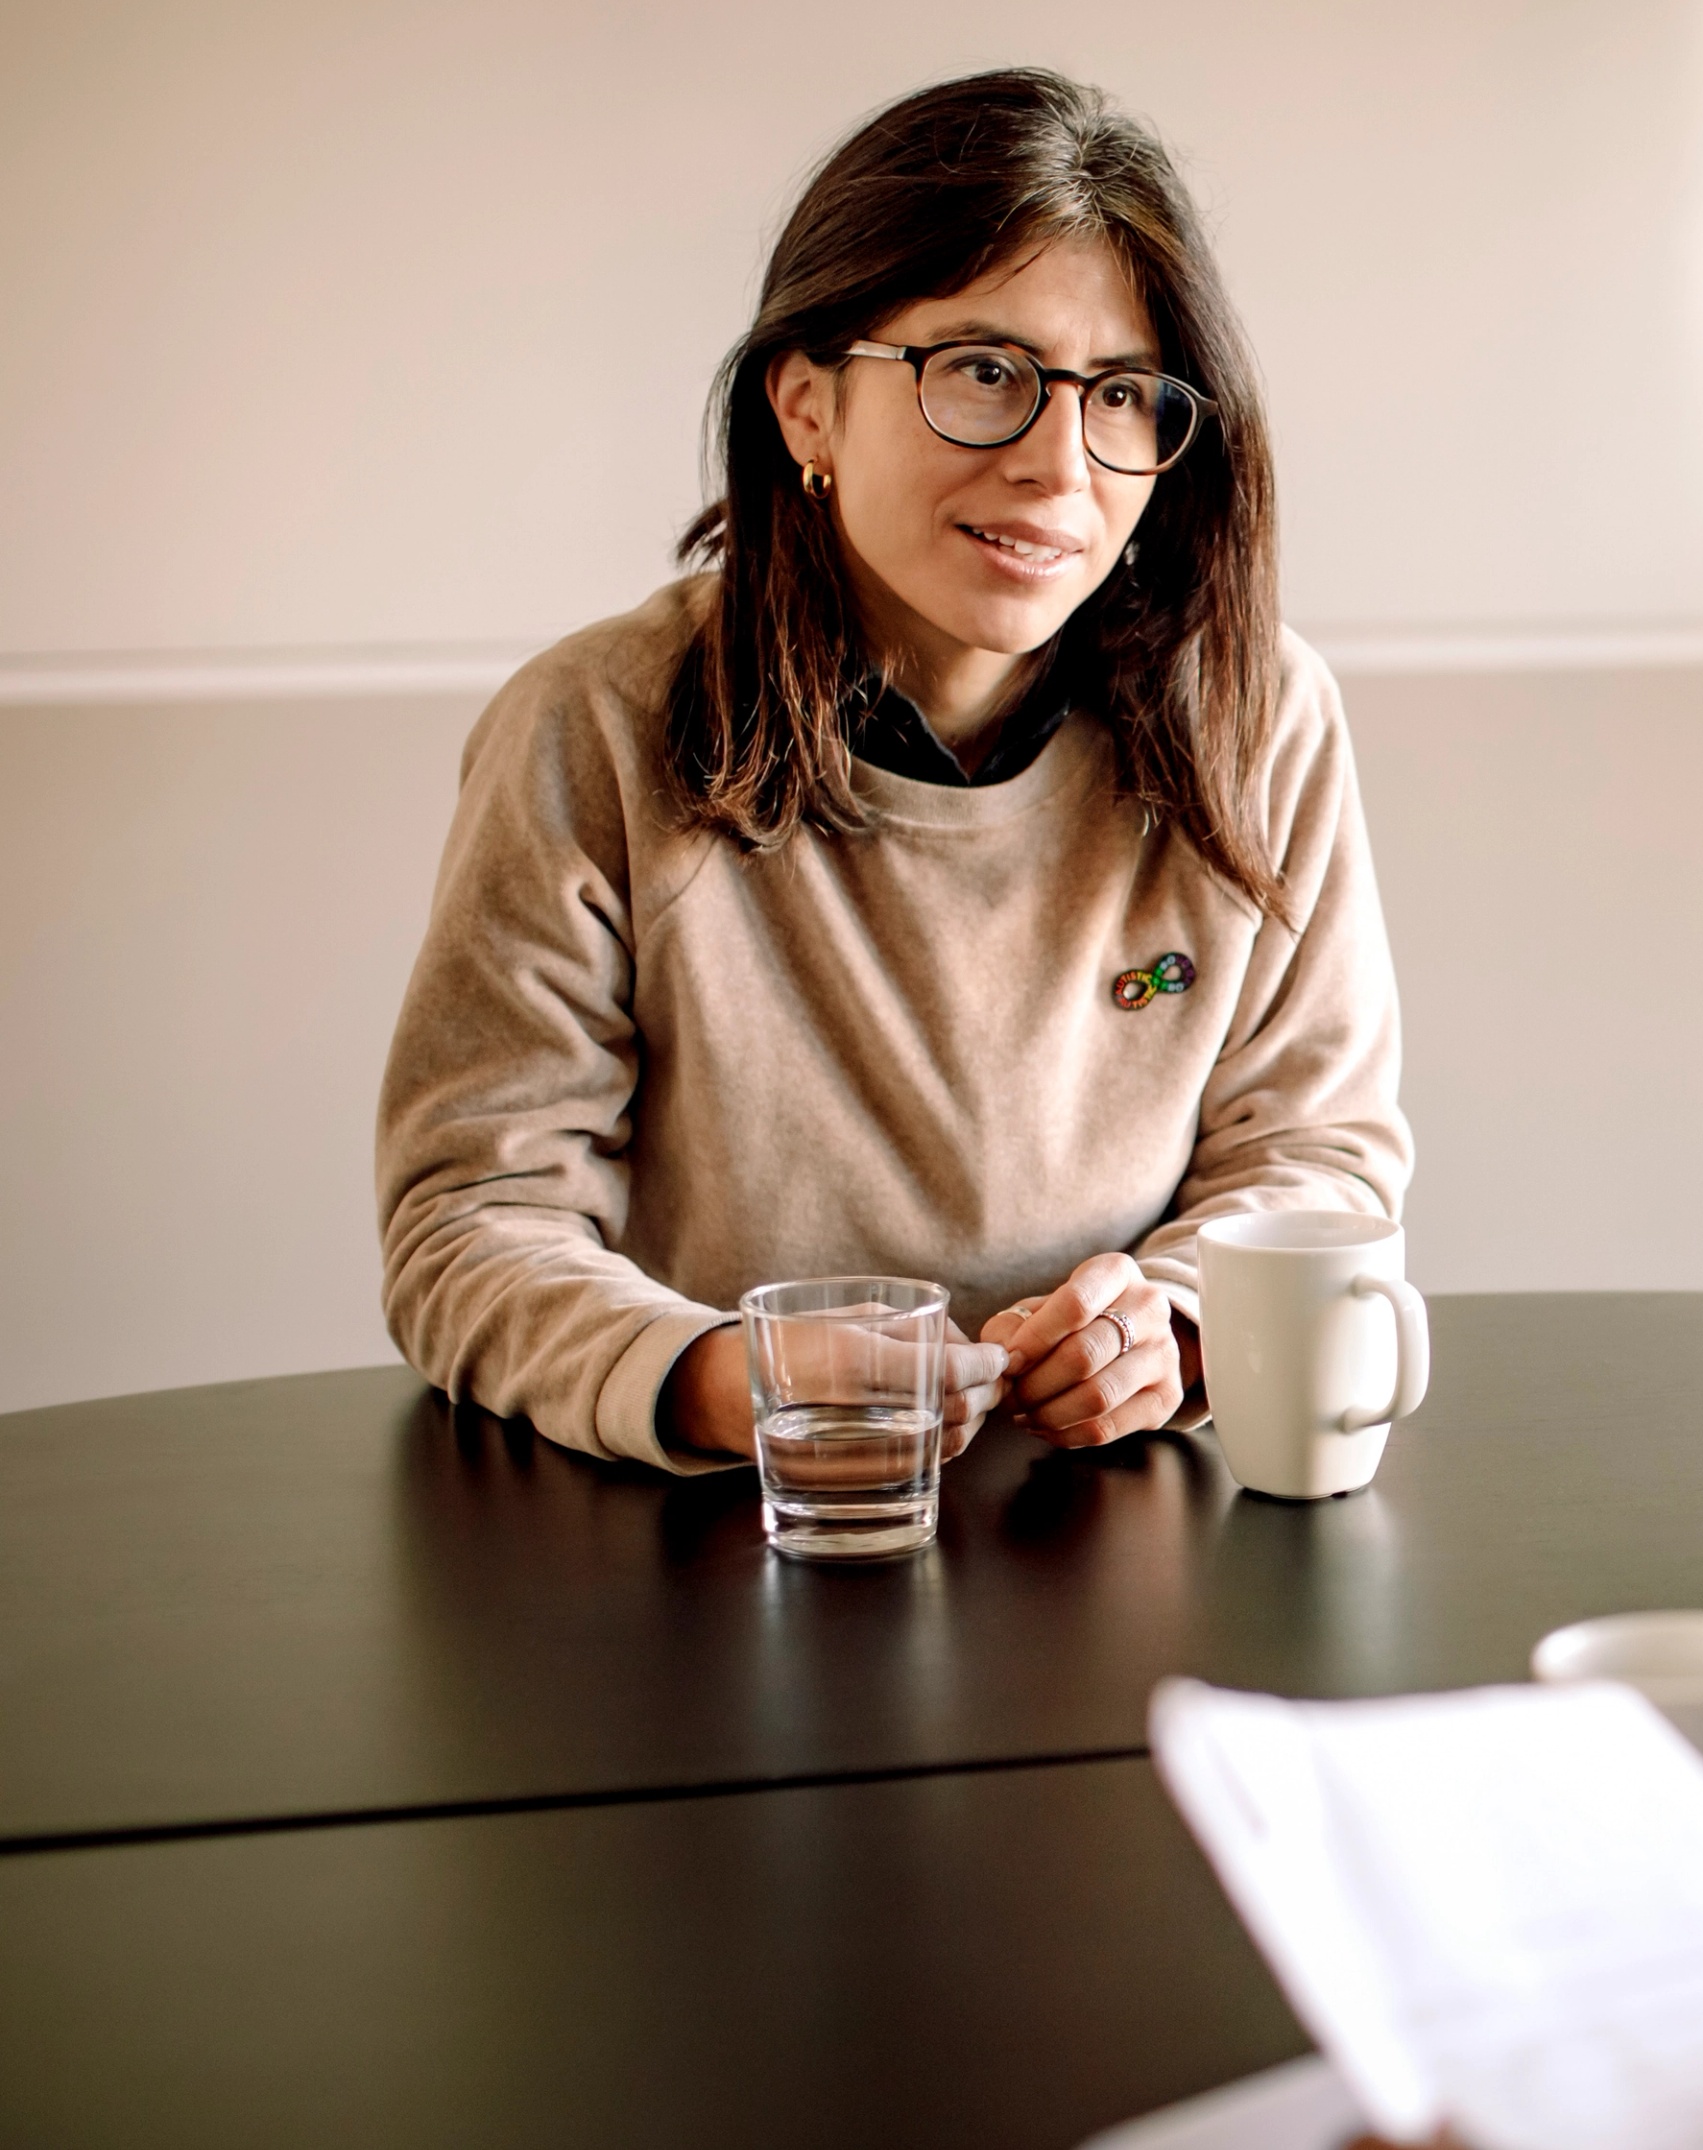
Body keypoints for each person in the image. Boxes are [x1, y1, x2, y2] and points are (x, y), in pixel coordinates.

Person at [378, 70, 1404, 1473]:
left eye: (1119, 396)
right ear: (806, 405)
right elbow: (471, 1223)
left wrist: (1171, 1324)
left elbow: (1316, 1156)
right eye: (984, 372)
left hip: (1119, 1526)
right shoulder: (589, 728)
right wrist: (723, 1379)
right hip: (725, 1546)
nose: (1060, 466)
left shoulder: (1259, 715)